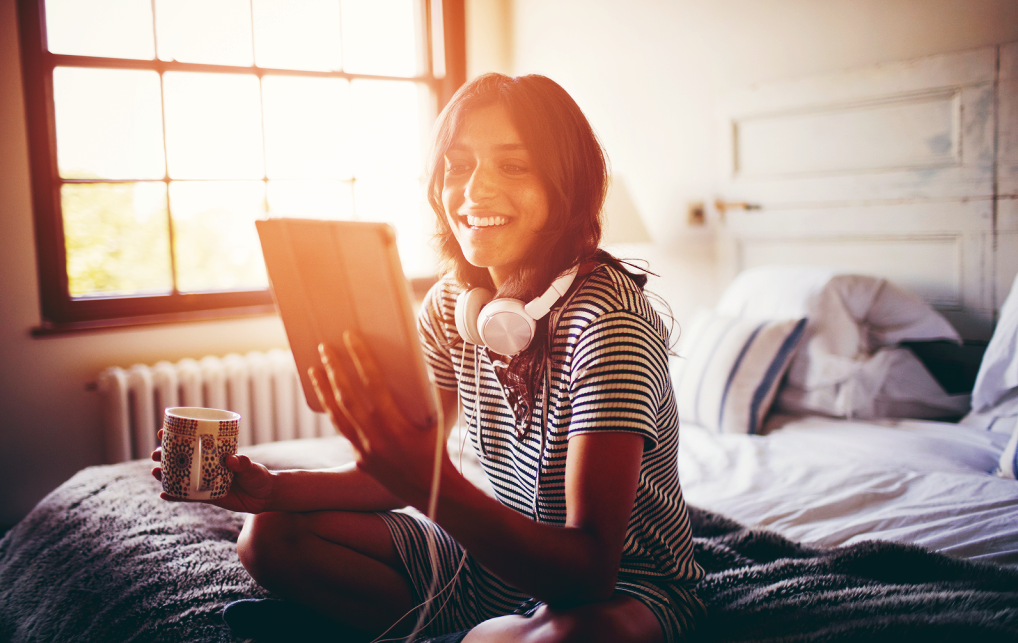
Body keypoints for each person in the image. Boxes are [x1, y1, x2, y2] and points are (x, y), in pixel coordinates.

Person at [153, 73, 705, 643]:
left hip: (623, 587)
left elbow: (589, 571)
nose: (474, 192)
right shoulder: (452, 306)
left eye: (512, 165)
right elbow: (397, 480)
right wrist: (274, 491)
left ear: (568, 183)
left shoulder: (610, 325)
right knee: (269, 537)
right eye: (458, 165)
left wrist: (431, 481)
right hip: (496, 560)